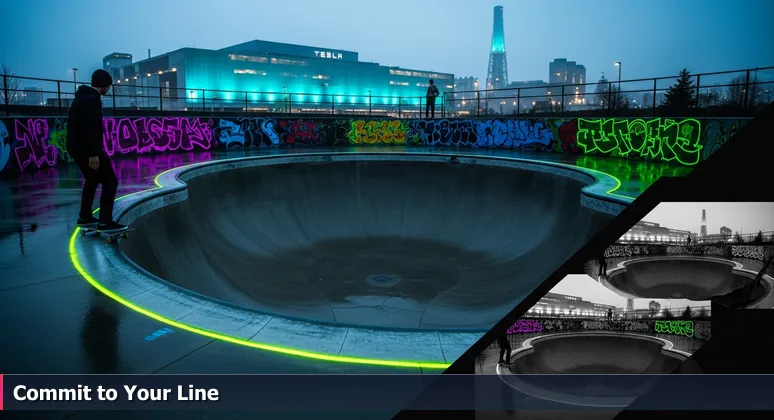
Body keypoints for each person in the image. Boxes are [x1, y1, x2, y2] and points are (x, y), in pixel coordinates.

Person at [67, 69, 126, 233]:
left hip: (76, 147)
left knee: (92, 179)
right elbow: (89, 127)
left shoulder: (80, 98)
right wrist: (93, 153)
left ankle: (85, 217)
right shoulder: (93, 100)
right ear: (105, 85)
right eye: (108, 86)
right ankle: (105, 222)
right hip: (87, 149)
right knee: (110, 181)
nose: (108, 90)